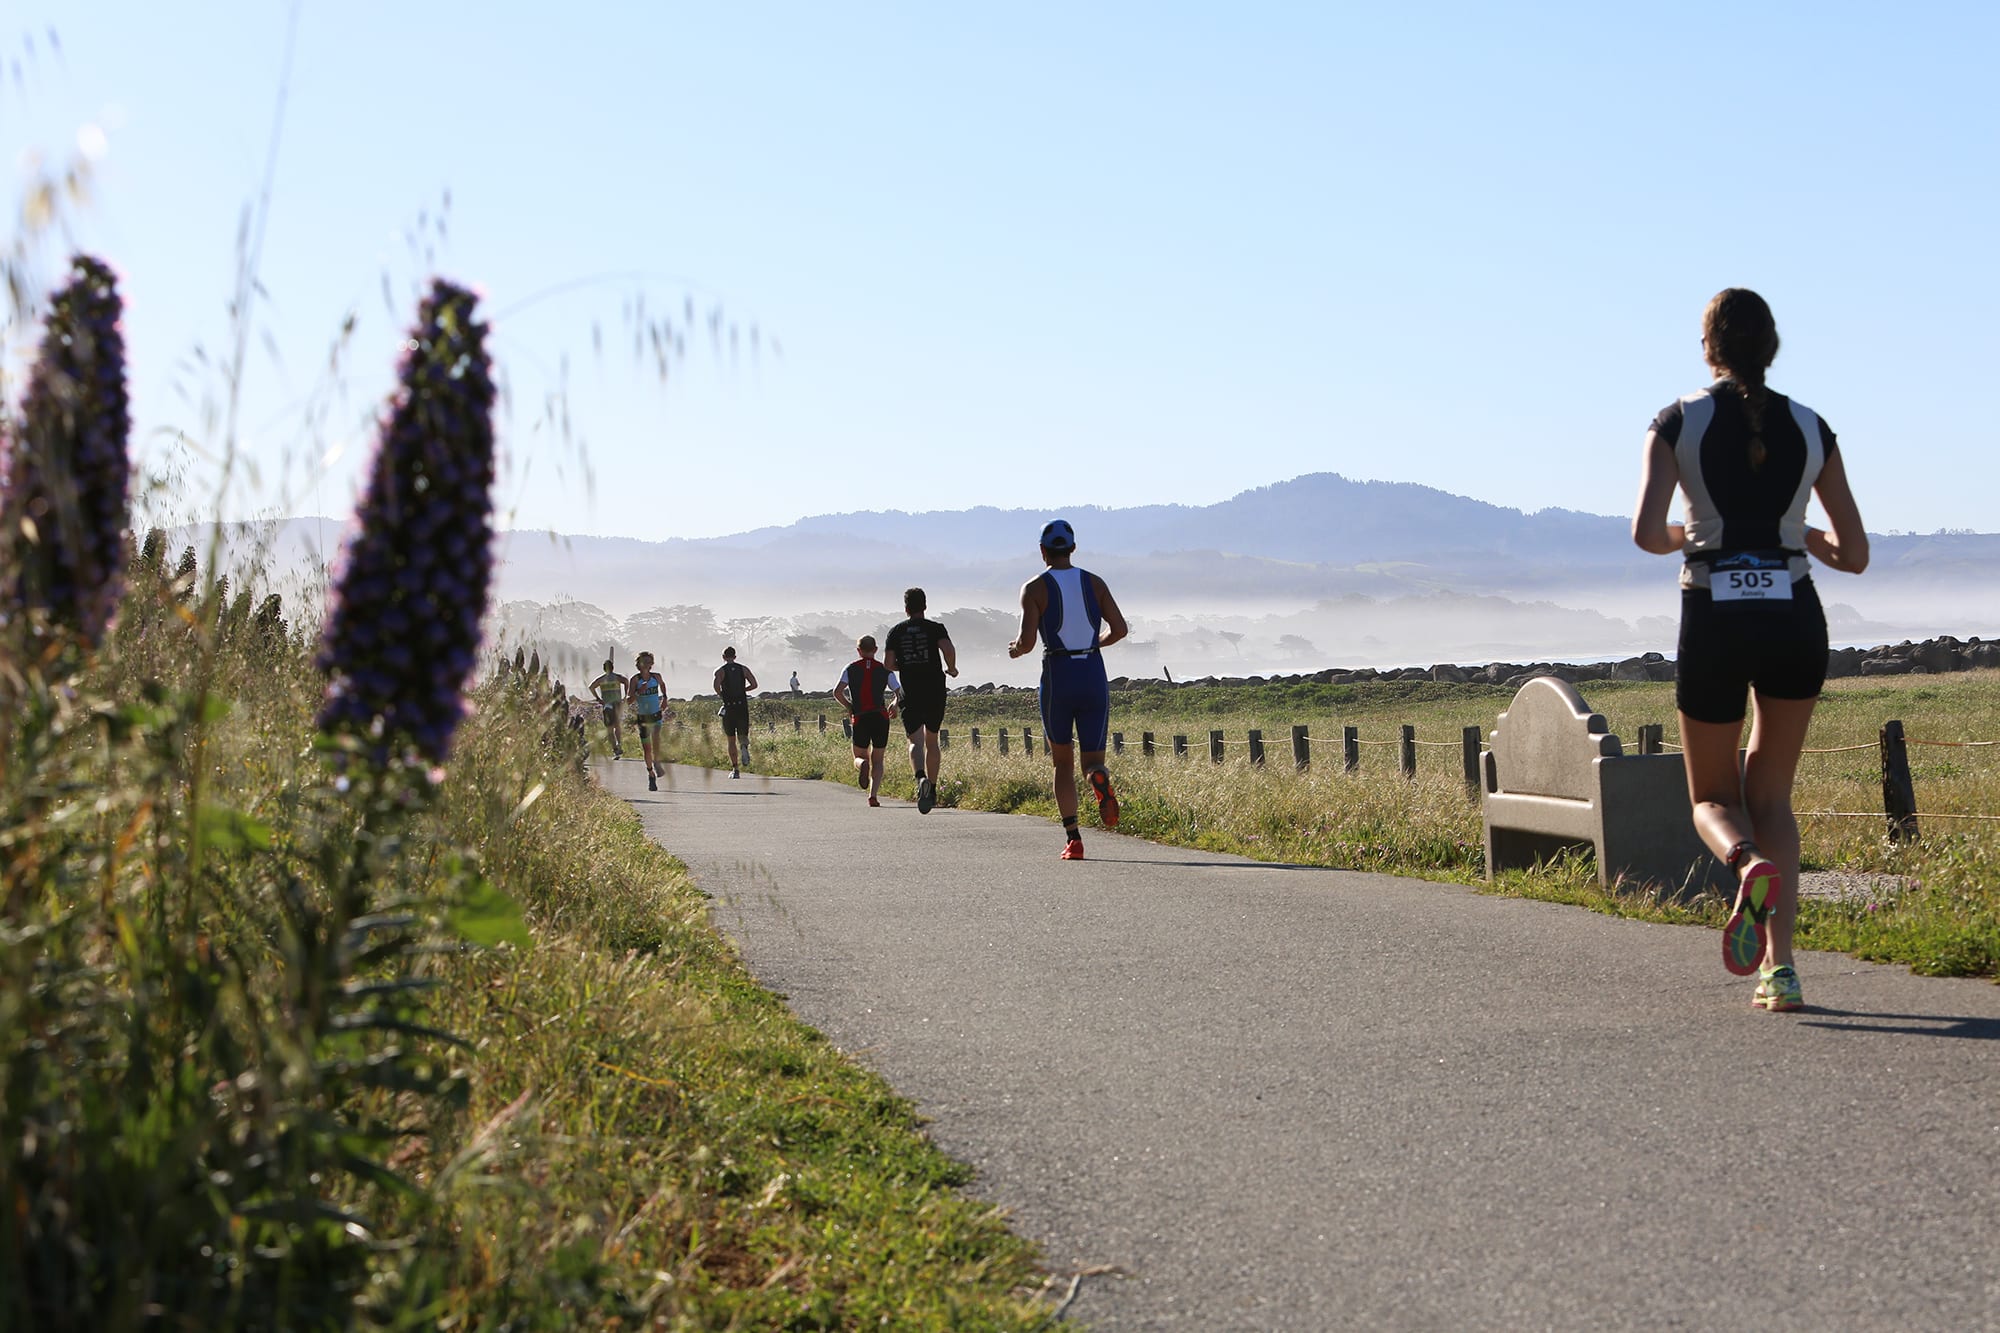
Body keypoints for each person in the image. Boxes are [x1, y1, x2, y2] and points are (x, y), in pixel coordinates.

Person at [1631, 287, 1869, 1012]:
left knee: (1711, 796)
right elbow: (1853, 553)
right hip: (1795, 614)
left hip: (1713, 612)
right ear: (1772, 348)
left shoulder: (1677, 421)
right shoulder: (1812, 425)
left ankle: (1746, 861)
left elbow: (1647, 532)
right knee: (1773, 794)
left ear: (1709, 348)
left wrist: (1697, 536)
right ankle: (1784, 968)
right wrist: (1797, 538)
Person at [1008, 519, 1128, 860]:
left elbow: (1028, 643)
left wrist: (1015, 649)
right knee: (1092, 760)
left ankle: (1074, 840)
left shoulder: (1034, 588)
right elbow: (1119, 629)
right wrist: (1094, 644)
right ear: (1073, 549)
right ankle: (1098, 778)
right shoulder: (1095, 582)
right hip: (1091, 671)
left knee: (1062, 764)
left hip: (1058, 675)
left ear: (1043, 551)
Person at [882, 586, 959, 814]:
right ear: (925, 606)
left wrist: (902, 666)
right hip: (934, 688)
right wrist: (951, 668)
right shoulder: (936, 628)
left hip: (910, 690)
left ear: (906, 609)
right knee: (932, 740)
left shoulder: (896, 631)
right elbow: (948, 648)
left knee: (915, 741)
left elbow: (888, 664)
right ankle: (933, 789)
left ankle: (920, 779)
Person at [833, 635, 896, 807]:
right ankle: (873, 796)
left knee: (858, 756)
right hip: (880, 716)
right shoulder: (885, 669)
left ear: (858, 651)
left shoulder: (850, 668)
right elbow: (899, 691)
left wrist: (849, 706)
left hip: (861, 716)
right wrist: (895, 704)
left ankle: (862, 764)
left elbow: (837, 692)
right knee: (878, 759)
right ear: (876, 650)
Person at [627, 652, 670, 790]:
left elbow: (663, 685)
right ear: (639, 665)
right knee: (647, 748)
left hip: (655, 714)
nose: (647, 665)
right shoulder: (635, 680)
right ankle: (651, 773)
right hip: (643, 718)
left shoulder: (656, 677)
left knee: (657, 739)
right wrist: (639, 691)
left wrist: (664, 698)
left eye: (649, 662)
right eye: (644, 662)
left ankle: (657, 762)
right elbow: (629, 700)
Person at [713, 646, 758, 778]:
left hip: (729, 707)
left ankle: (735, 769)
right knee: (742, 735)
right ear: (735, 656)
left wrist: (722, 694)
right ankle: (744, 747)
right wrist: (743, 690)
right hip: (742, 706)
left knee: (731, 739)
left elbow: (716, 686)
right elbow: (755, 684)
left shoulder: (720, 671)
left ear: (723, 657)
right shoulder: (743, 669)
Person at [590, 658, 628, 759]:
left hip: (607, 705)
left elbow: (591, 687)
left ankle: (615, 749)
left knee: (609, 729)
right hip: (617, 703)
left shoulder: (601, 679)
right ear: (612, 668)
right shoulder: (617, 677)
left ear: (604, 669)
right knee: (617, 726)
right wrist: (625, 695)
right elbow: (626, 681)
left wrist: (598, 698)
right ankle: (619, 744)